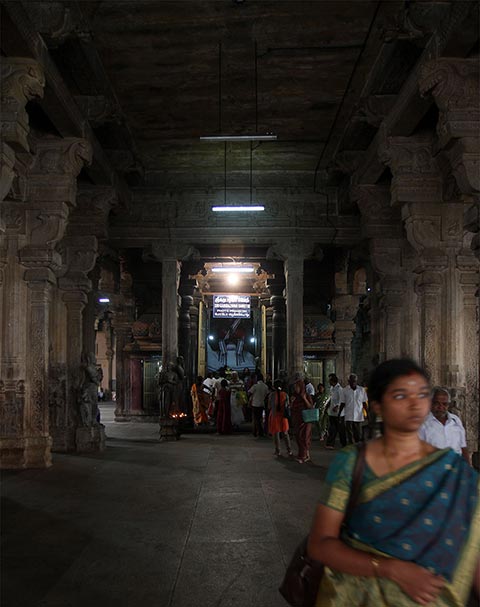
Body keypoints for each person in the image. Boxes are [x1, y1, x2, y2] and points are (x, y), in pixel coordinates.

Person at [307, 358, 480, 607]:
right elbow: (320, 545)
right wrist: (389, 569)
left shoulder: (453, 472)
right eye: (401, 396)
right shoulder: (353, 462)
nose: (415, 404)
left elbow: (472, 551)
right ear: (377, 405)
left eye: (421, 394)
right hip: (360, 598)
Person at [419, 387, 470, 464]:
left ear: (448, 405)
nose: (441, 407)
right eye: (437, 403)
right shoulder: (422, 423)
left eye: (444, 404)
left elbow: (463, 447)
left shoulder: (455, 420)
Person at [290, 378, 314, 463]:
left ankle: (304, 456)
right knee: (298, 437)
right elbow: (292, 408)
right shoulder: (294, 396)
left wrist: (304, 399)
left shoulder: (306, 395)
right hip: (297, 420)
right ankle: (303, 454)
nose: (295, 389)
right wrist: (292, 402)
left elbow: (310, 407)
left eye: (297, 387)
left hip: (306, 420)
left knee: (304, 437)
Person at [267, 379, 293, 457]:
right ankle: (289, 450)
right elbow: (288, 406)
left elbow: (269, 406)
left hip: (274, 416)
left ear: (274, 387)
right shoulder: (285, 395)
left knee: (276, 434)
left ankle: (278, 450)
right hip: (283, 417)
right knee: (285, 433)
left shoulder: (271, 395)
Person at [340, 374, 368, 444]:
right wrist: (339, 414)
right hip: (348, 415)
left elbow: (364, 403)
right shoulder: (344, 390)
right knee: (350, 433)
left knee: (358, 433)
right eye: (351, 381)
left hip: (358, 415)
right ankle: (352, 446)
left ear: (356, 381)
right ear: (348, 381)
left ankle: (357, 445)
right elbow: (342, 403)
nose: (353, 382)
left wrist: (367, 413)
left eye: (354, 381)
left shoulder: (361, 390)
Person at [325, 374, 346, 449]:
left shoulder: (339, 389)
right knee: (332, 428)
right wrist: (327, 405)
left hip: (338, 413)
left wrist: (337, 406)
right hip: (331, 412)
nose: (328, 381)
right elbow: (331, 398)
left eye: (329, 380)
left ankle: (344, 443)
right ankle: (330, 443)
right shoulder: (332, 388)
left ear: (333, 381)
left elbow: (342, 400)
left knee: (341, 429)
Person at [248, 373, 269, 438]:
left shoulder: (255, 386)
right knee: (260, 418)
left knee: (255, 418)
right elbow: (267, 395)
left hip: (255, 404)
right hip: (262, 404)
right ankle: (260, 431)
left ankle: (256, 431)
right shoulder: (265, 386)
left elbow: (249, 392)